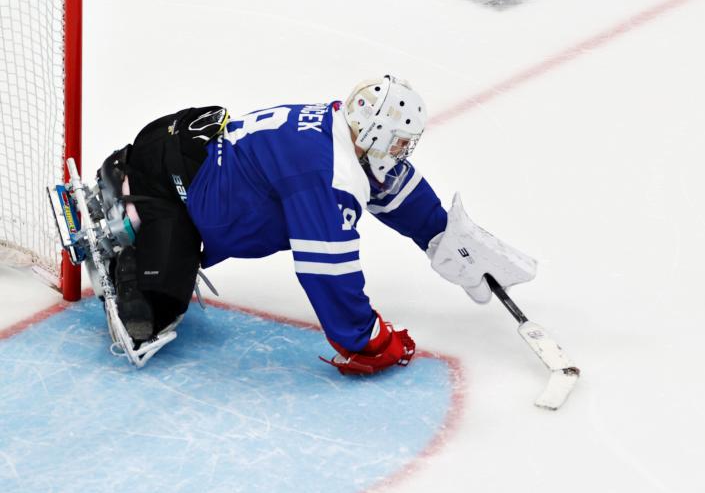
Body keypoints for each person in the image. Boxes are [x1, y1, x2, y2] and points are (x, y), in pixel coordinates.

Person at [79, 75, 536, 370]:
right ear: (376, 133)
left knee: (204, 224)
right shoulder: (326, 173)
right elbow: (326, 271)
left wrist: (443, 236)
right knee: (151, 315)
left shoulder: (343, 132)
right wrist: (370, 341)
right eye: (399, 143)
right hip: (169, 182)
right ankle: (127, 208)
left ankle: (137, 199)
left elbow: (392, 188)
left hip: (188, 151)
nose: (401, 153)